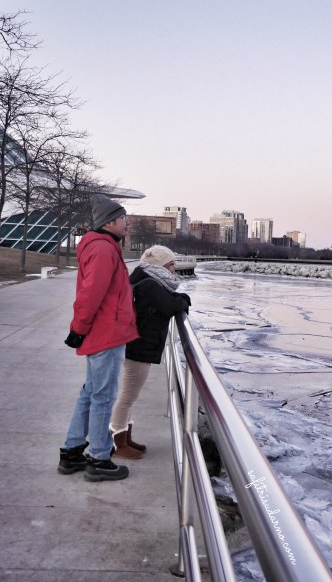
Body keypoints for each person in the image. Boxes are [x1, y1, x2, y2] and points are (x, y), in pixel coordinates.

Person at [58, 194, 139, 482]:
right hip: (106, 334)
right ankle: (99, 458)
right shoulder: (104, 250)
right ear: (111, 221)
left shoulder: (103, 247)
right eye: (124, 218)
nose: (127, 223)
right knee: (102, 396)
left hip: (103, 332)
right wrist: (78, 329)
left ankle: (72, 451)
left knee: (90, 393)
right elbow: (90, 295)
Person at [110, 245, 191, 458]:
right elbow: (170, 305)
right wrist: (184, 300)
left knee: (130, 395)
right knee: (128, 395)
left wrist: (179, 300)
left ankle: (124, 437)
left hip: (137, 343)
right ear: (160, 265)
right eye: (171, 264)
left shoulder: (143, 278)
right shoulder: (150, 285)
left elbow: (169, 301)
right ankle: (117, 442)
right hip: (139, 345)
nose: (174, 268)